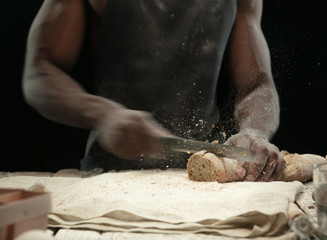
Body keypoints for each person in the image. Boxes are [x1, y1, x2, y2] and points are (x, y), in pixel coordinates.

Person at [22, 0, 285, 181]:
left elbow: (256, 84)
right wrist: (105, 115)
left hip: (209, 172)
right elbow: (40, 69)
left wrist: (254, 132)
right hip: (109, 173)